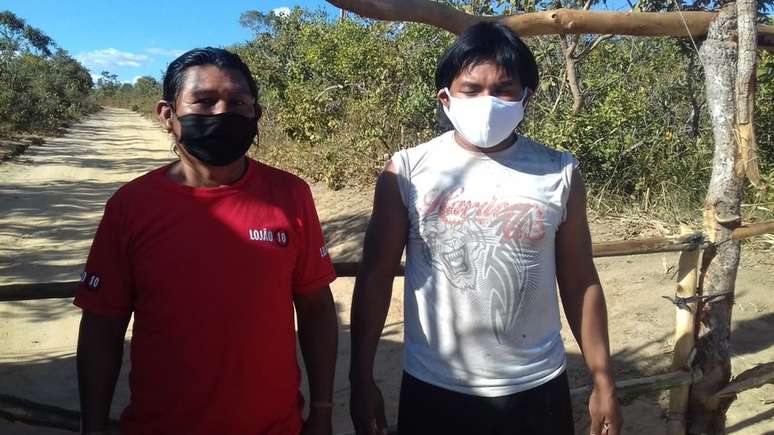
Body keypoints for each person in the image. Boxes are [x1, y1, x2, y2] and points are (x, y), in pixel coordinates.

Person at [349, 23, 622, 435]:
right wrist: (360, 377)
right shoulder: (407, 170)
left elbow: (580, 280)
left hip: (535, 386)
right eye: (472, 89)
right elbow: (375, 276)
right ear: (446, 98)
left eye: (504, 89)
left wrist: (603, 379)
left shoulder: (559, 171)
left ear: (527, 98)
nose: (488, 101)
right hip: (434, 387)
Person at [75, 47, 338, 435]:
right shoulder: (131, 206)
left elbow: (316, 308)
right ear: (167, 114)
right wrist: (92, 428)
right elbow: (101, 327)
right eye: (204, 100)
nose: (221, 113)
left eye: (238, 102)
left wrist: (323, 411)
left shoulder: (291, 194)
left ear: (255, 115)